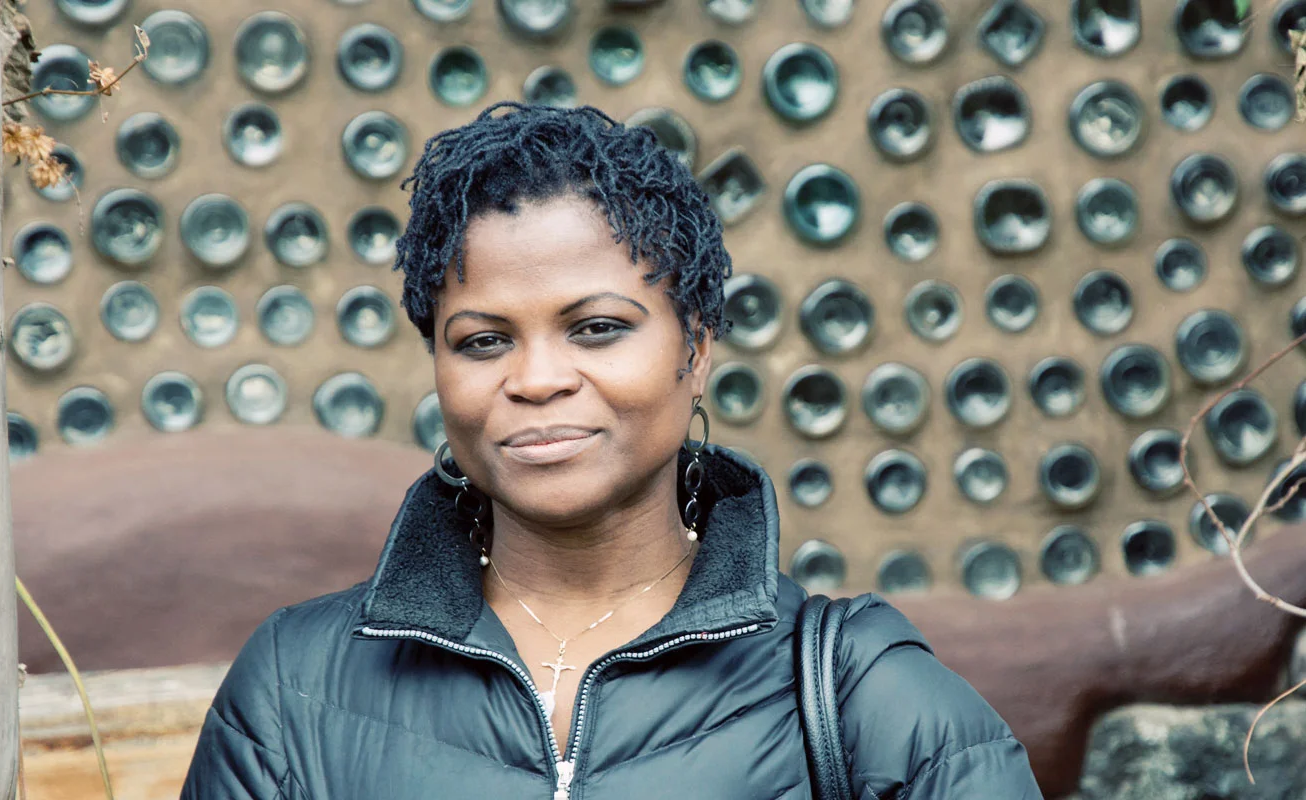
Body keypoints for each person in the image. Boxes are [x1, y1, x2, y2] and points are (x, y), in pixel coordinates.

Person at [181, 102, 1043, 799]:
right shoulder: (297, 688)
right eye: (483, 341)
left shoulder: (856, 692)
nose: (537, 379)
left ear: (695, 350)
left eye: (596, 328)